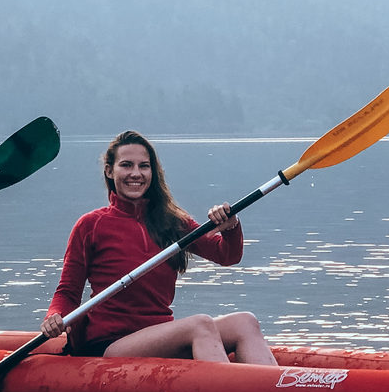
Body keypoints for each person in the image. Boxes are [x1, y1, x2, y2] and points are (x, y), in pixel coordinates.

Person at [40, 130, 276, 364]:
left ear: (153, 172)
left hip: (161, 336)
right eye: (126, 165)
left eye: (144, 166)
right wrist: (55, 316)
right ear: (110, 171)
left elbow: (227, 255)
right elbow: (68, 292)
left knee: (245, 322)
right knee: (200, 325)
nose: (136, 173)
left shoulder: (171, 221)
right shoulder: (91, 225)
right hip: (111, 344)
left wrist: (231, 226)